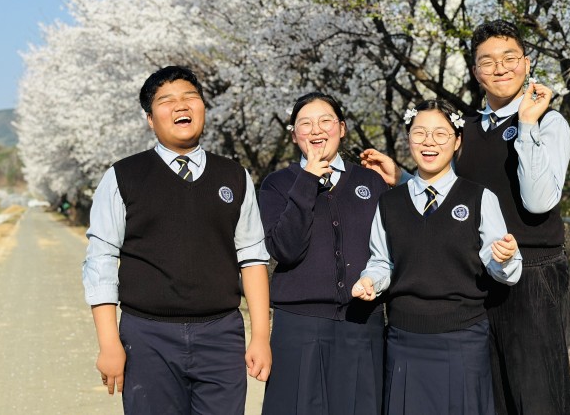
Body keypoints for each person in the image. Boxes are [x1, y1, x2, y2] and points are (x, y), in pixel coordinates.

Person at [361, 19, 570, 415]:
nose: (500, 67)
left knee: (537, 395)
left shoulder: (549, 122)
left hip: (533, 273)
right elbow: (453, 194)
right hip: (478, 276)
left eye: (510, 58)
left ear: (527, 64)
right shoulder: (468, 130)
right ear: (476, 72)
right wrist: (403, 179)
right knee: (489, 394)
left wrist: (526, 123)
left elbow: (540, 201)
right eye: (487, 61)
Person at [81, 65, 272, 414]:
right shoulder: (123, 176)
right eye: (167, 101)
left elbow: (252, 256)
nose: (181, 106)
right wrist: (109, 343)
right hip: (147, 336)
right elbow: (101, 259)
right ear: (150, 119)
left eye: (190, 97)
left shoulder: (234, 176)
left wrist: (260, 335)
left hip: (221, 334)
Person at [352, 99, 521, 415]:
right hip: (403, 340)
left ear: (457, 141)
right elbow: (382, 261)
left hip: (463, 341)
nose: (429, 142)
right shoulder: (389, 203)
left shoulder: (479, 199)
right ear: (408, 139)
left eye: (440, 134)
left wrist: (507, 257)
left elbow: (505, 270)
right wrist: (370, 280)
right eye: (420, 133)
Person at [258, 92, 389, 415]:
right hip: (300, 324)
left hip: (362, 321)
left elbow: (390, 248)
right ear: (294, 135)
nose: (316, 130)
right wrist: (307, 181)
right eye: (305, 124)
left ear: (341, 128)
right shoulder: (277, 185)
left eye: (325, 121)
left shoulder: (370, 181)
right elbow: (284, 249)